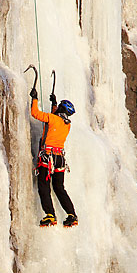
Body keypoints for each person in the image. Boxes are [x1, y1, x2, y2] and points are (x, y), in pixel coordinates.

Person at [30, 87, 78, 227]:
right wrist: (54, 104)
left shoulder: (52, 119)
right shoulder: (67, 125)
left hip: (47, 158)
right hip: (59, 160)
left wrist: (34, 99)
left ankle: (50, 215)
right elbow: (54, 121)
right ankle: (71, 214)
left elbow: (35, 113)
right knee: (59, 187)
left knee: (44, 186)